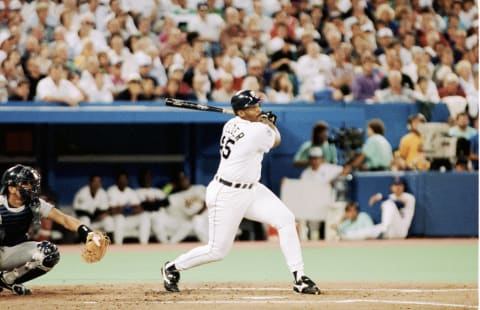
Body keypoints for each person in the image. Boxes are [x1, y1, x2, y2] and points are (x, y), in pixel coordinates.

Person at [161, 90, 320, 295]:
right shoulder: (257, 132)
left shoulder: (231, 124)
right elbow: (276, 140)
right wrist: (270, 123)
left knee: (286, 219)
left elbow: (258, 129)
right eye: (253, 107)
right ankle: (172, 267)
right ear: (242, 113)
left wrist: (261, 121)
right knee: (217, 251)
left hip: (252, 189)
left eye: (257, 105)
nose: (258, 109)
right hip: (227, 194)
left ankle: (299, 277)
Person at [0, 164, 102, 295]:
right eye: (25, 183)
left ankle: (7, 279)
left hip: (14, 252)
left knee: (49, 254)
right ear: (12, 188)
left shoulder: (35, 204)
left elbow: (64, 218)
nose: (31, 187)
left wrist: (87, 232)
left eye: (32, 183)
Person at [299, 146, 344, 240]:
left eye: (317, 158)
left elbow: (344, 170)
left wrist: (334, 180)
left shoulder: (329, 169)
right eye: (313, 158)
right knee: (312, 230)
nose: (315, 161)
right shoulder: (305, 173)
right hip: (311, 205)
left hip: (327, 204)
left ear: (321, 159)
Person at [107, 170, 150, 245]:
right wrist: (129, 207)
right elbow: (112, 211)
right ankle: (118, 245)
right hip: (116, 219)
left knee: (145, 216)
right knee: (119, 218)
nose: (123, 181)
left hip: (129, 218)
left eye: (125, 179)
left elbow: (139, 209)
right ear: (117, 180)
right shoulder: (112, 191)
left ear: (127, 180)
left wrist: (122, 208)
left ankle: (144, 244)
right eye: (121, 179)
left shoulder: (131, 191)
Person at [72, 174, 114, 239]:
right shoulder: (82, 192)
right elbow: (79, 211)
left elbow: (104, 210)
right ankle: (84, 243)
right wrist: (94, 215)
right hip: (82, 221)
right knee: (85, 219)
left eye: (99, 182)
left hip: (96, 221)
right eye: (95, 181)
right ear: (90, 182)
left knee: (108, 220)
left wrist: (100, 215)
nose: (96, 184)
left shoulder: (102, 193)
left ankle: (110, 243)